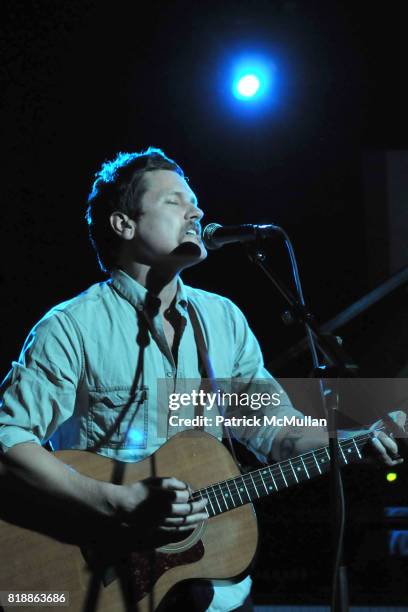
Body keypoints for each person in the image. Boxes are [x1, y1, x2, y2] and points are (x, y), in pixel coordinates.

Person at [0, 148, 404, 612]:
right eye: (174, 202)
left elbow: (278, 431)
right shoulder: (71, 327)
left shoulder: (223, 319)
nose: (197, 212)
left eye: (196, 202)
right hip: (107, 584)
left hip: (216, 588)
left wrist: (353, 438)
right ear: (123, 224)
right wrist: (117, 501)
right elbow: (8, 440)